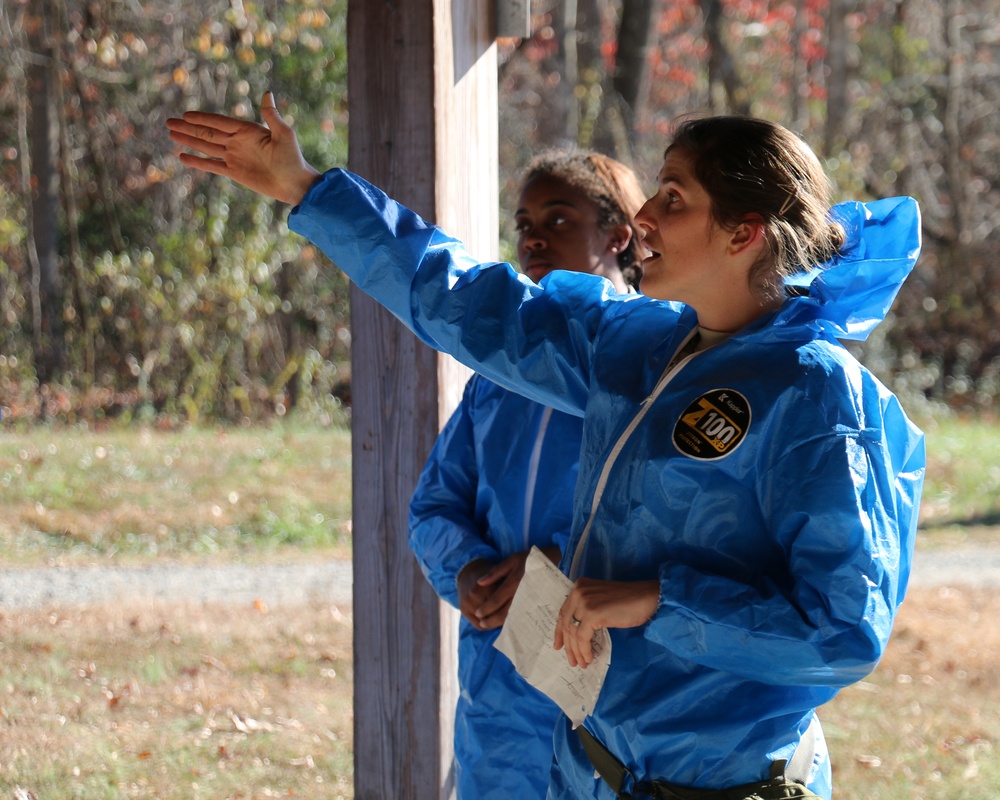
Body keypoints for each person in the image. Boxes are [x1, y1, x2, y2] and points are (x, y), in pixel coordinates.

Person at [167, 97, 925, 800]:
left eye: (672, 198)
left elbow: (843, 632)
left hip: (723, 784)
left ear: (743, 232)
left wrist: (653, 601)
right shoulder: (634, 346)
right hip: (592, 766)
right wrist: (307, 187)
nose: (644, 217)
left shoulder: (818, 396)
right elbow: (467, 300)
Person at [408, 150, 646, 799]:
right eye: (525, 222)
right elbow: (435, 504)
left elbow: (679, 517)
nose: (535, 236)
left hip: (604, 665)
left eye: (559, 218)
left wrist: (562, 564)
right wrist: (468, 571)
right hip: (500, 675)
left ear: (618, 235)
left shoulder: (651, 362)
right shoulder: (500, 374)